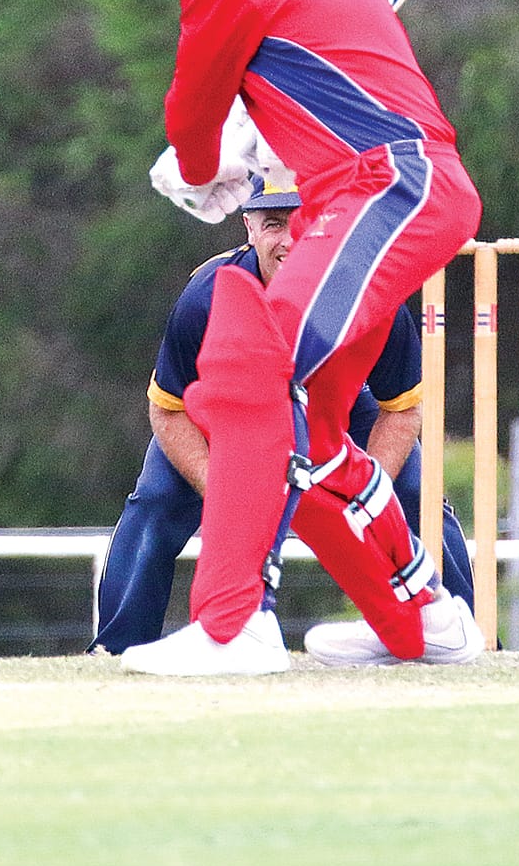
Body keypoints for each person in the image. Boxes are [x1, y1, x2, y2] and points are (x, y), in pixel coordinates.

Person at [87, 0, 484, 675]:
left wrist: (201, 171)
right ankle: (422, 612)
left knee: (250, 373)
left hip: (391, 183)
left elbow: (193, 111)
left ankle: (235, 625)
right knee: (316, 431)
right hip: (367, 190)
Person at [90, 174, 474, 653]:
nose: (290, 240)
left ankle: (457, 635)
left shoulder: (370, 292)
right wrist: (235, 497)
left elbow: (401, 411)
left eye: (305, 220)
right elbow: (167, 412)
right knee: (154, 504)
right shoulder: (207, 296)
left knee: (417, 492)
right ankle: (116, 648)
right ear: (248, 227)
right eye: (274, 223)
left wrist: (365, 499)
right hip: (228, 414)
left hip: (333, 407)